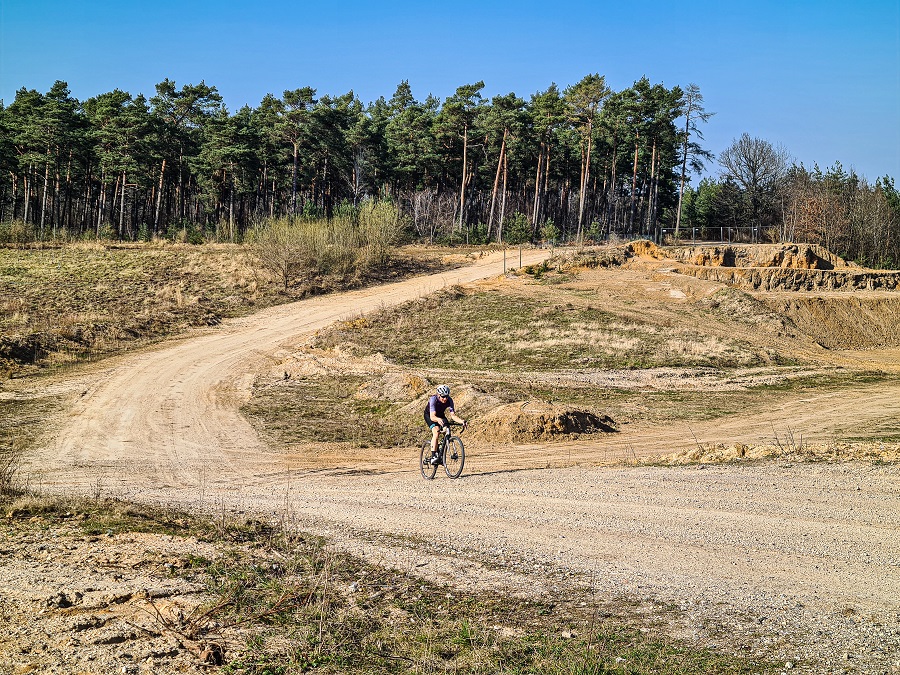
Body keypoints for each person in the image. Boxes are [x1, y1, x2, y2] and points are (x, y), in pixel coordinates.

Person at [423, 384, 467, 464]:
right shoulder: (433, 399)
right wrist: (437, 419)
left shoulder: (449, 400)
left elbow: (453, 416)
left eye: (446, 396)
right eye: (443, 396)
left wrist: (462, 421)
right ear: (438, 395)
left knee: (447, 430)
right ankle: (433, 456)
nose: (445, 398)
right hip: (430, 415)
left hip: (440, 416)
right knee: (436, 431)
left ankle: (440, 450)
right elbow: (433, 417)